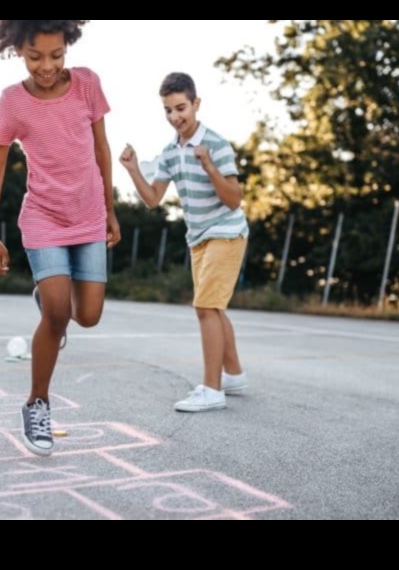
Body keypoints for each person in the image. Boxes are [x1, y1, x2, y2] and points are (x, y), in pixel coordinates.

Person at [0, 20, 121, 456]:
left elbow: (102, 149)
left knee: (89, 315)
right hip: (43, 217)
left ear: (68, 46)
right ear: (18, 49)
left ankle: (50, 304)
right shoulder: (12, 102)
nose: (46, 66)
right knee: (59, 312)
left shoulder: (87, 85)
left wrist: (111, 208)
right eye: (35, 56)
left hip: (89, 215)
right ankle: (37, 403)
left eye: (56, 55)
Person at [119, 72, 249, 413]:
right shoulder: (169, 152)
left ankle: (212, 389)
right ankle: (233, 374)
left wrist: (208, 165)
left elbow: (234, 199)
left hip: (226, 231)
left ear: (196, 104)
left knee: (204, 307)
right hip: (198, 238)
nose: (175, 117)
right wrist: (133, 170)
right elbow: (152, 199)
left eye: (181, 108)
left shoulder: (217, 145)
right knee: (214, 307)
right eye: (168, 110)